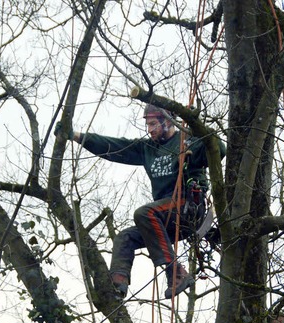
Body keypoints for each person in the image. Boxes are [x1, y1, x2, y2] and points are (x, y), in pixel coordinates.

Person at [56, 104, 225, 299]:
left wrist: (197, 127)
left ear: (167, 122)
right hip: (165, 220)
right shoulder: (147, 149)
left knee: (145, 213)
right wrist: (76, 136)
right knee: (124, 238)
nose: (150, 129)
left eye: (153, 124)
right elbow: (114, 147)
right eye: (147, 125)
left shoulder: (186, 141)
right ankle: (117, 287)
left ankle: (176, 272)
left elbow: (218, 150)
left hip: (188, 207)